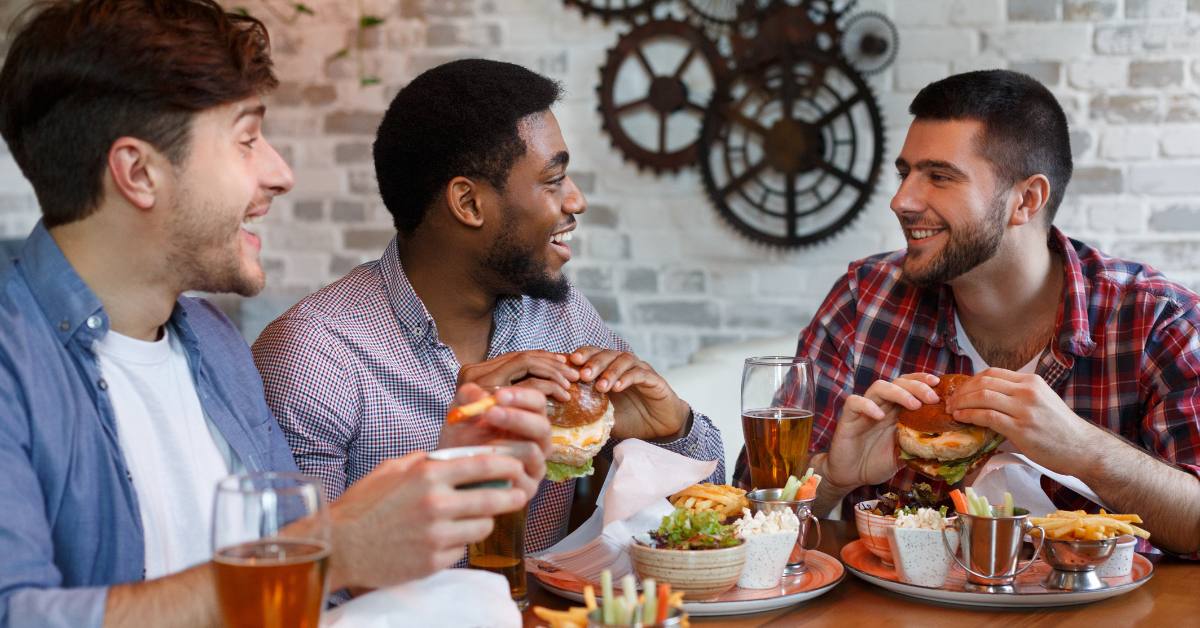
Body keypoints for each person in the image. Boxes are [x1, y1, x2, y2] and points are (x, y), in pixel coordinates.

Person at [0, 2, 549, 626]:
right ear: (138, 172)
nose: (280, 173)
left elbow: (301, 589)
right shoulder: (13, 365)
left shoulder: (214, 343)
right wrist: (325, 555)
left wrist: (445, 472)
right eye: (246, 139)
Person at [252, 58, 725, 554]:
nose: (576, 201)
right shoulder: (314, 355)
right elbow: (300, 578)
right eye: (553, 180)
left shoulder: (560, 318)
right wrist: (451, 455)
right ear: (469, 204)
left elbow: (711, 518)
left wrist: (673, 429)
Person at [734, 70, 1200, 556]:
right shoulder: (863, 302)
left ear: (1026, 200)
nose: (902, 200)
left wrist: (1086, 451)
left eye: (939, 177)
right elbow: (746, 508)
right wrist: (831, 475)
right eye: (905, 173)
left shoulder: (1157, 320)